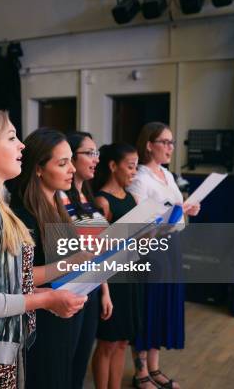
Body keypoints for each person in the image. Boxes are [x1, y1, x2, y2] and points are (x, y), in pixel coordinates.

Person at [0, 110, 86, 389]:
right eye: (11, 137)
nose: (22, 145)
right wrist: (44, 300)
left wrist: (46, 289)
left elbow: (8, 282)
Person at [9, 127, 92, 389]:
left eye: (71, 161)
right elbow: (21, 276)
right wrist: (76, 261)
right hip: (42, 320)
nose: (72, 170)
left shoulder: (58, 207)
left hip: (68, 311)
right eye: (63, 163)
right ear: (38, 168)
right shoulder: (23, 216)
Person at [127, 122, 200, 389]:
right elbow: (137, 223)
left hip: (171, 246)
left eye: (172, 142)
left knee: (163, 305)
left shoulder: (167, 176)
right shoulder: (139, 178)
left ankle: (155, 368)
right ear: (149, 145)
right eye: (165, 142)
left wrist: (186, 210)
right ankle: (141, 371)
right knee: (148, 306)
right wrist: (169, 216)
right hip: (150, 251)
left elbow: (177, 217)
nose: (170, 147)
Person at [62, 131, 113, 388]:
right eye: (89, 153)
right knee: (67, 362)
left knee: (80, 361)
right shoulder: (58, 198)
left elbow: (99, 251)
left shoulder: (88, 199)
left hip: (91, 289)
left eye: (97, 153)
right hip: (70, 290)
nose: (95, 159)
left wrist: (105, 291)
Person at [91, 143, 143, 389]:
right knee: (107, 343)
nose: (134, 172)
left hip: (130, 273)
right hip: (111, 278)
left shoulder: (131, 196)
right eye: (130, 166)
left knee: (122, 341)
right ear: (113, 166)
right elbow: (96, 247)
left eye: (136, 166)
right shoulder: (102, 201)